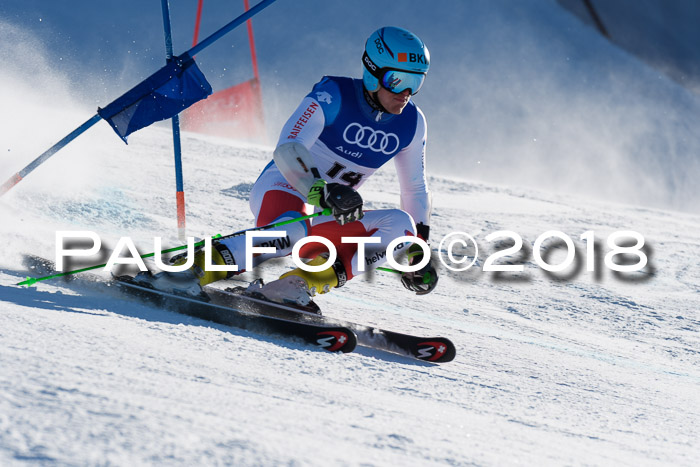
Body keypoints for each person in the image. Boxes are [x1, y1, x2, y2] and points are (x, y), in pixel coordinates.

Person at [137, 26, 438, 305]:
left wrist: (416, 254)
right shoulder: (333, 94)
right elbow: (288, 147)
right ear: (372, 73)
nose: (405, 93)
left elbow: (415, 188)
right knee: (292, 228)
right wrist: (320, 190)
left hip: (327, 214)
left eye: (416, 82)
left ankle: (293, 287)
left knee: (401, 226)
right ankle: (191, 269)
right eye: (397, 80)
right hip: (285, 189)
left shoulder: (412, 122)